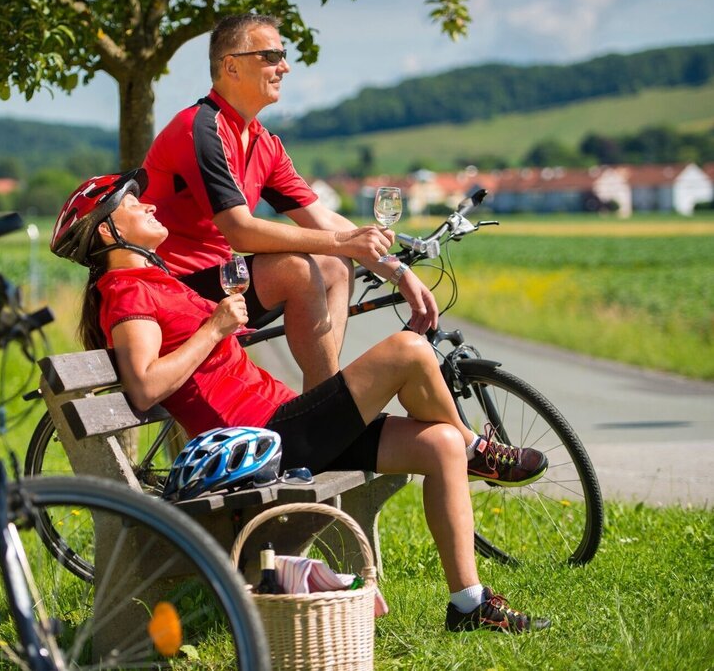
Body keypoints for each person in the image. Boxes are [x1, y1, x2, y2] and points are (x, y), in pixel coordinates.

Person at [51, 169, 551, 634]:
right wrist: (214, 328)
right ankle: (477, 452)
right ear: (105, 233)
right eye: (135, 206)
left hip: (286, 421)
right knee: (408, 349)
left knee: (438, 444)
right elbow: (144, 386)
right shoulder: (127, 290)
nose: (151, 207)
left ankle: (469, 604)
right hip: (264, 439)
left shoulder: (156, 281)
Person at [141, 13, 440, 391]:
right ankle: (326, 411)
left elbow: (321, 218)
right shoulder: (200, 128)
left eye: (283, 54)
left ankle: (322, 400)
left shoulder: (264, 143)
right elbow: (241, 231)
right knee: (296, 269)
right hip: (167, 290)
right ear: (231, 65)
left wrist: (399, 273)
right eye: (270, 56)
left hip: (218, 284)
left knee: (333, 266)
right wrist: (342, 243)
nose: (285, 66)